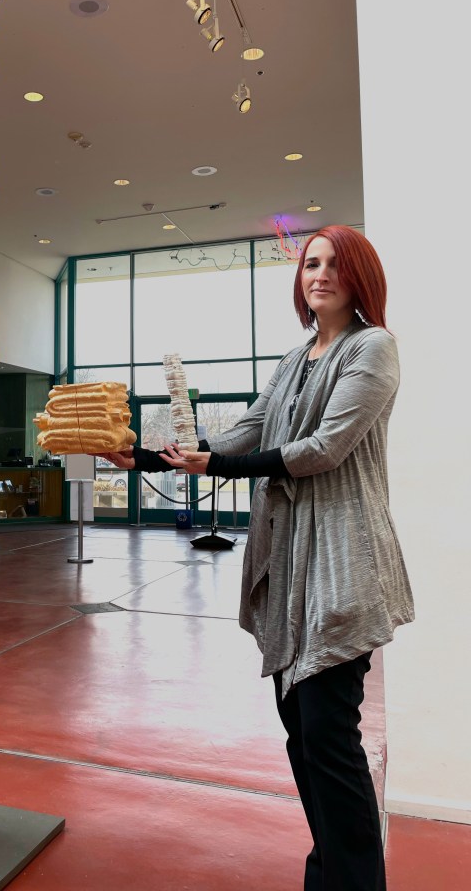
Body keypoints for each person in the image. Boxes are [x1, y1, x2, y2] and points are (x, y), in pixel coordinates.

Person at [100, 225, 414, 891]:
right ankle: (326, 874)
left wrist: (224, 462)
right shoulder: (295, 360)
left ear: (359, 276)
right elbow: (243, 431)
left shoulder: (373, 348)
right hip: (288, 571)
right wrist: (144, 460)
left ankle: (355, 881)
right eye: (310, 263)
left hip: (340, 566)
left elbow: (324, 449)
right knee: (304, 739)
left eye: (333, 264)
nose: (319, 274)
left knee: (330, 743)